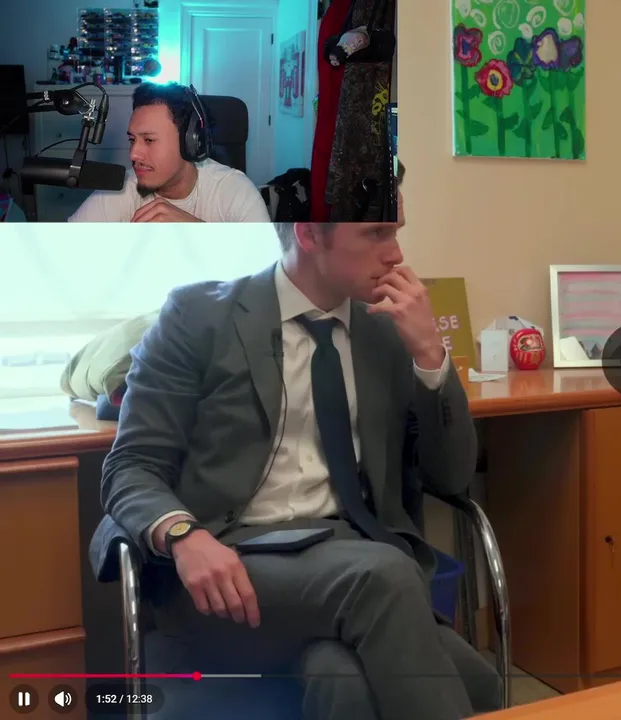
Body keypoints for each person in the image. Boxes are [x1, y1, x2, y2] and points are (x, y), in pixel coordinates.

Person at [99, 175, 500, 719]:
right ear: (310, 233)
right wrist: (184, 536)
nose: (397, 254)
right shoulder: (199, 317)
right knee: (385, 580)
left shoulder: (384, 332)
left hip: (350, 554)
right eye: (377, 233)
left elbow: (450, 478)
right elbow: (131, 466)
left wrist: (431, 355)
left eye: (397, 231)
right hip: (228, 562)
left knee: (432, 682)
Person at [69, 82, 269, 222]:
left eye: (149, 140)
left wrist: (199, 232)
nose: (133, 155)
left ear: (190, 142)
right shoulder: (123, 188)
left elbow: (267, 266)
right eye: (132, 140)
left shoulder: (234, 190)